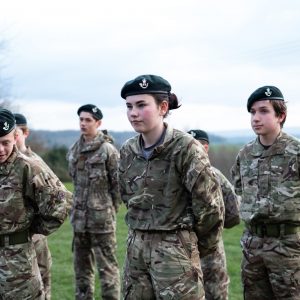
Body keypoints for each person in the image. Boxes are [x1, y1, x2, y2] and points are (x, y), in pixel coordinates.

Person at [119, 74, 224, 299]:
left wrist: (192, 249)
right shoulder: (128, 151)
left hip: (175, 252)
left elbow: (210, 209)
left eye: (141, 105)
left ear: (163, 107)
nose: (133, 113)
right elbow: (127, 197)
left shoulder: (186, 148)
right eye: (129, 106)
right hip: (136, 250)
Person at [231, 85, 300, 299]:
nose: (256, 118)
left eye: (263, 111)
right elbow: (239, 188)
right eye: (252, 112)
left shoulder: (295, 152)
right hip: (253, 245)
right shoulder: (246, 153)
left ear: (281, 115)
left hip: (288, 246)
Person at [0, 108, 71, 299]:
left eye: (5, 143)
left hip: (17, 262)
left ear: (16, 137)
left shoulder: (29, 167)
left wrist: (33, 228)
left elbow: (60, 204)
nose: (0, 149)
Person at [66, 104, 121, 300]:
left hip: (102, 222)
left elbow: (117, 186)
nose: (83, 123)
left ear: (98, 123)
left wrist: (109, 210)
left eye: (88, 120)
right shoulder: (74, 150)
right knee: (81, 271)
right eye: (81, 119)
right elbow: (74, 182)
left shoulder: (108, 150)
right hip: (79, 221)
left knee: (108, 270)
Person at [188, 129, 240, 300]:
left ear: (206, 147)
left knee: (214, 292)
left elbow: (233, 212)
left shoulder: (215, 175)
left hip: (208, 251)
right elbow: (233, 213)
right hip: (189, 248)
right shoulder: (180, 176)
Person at [13, 112, 53, 300]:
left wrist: (36, 228)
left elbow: (56, 200)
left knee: (41, 281)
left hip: (33, 236)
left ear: (24, 133)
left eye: (16, 133)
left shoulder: (35, 163)